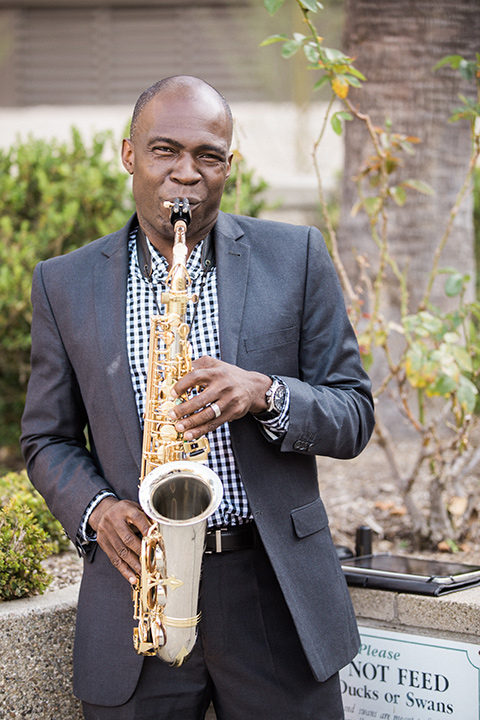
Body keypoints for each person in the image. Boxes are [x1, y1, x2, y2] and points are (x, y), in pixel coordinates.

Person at [20, 75, 375, 720]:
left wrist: (267, 394)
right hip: (140, 591)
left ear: (228, 167)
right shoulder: (63, 283)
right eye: (164, 150)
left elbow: (353, 412)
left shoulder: (295, 256)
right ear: (129, 155)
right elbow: (46, 439)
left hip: (275, 597)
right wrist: (96, 510)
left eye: (207, 156)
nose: (186, 172)